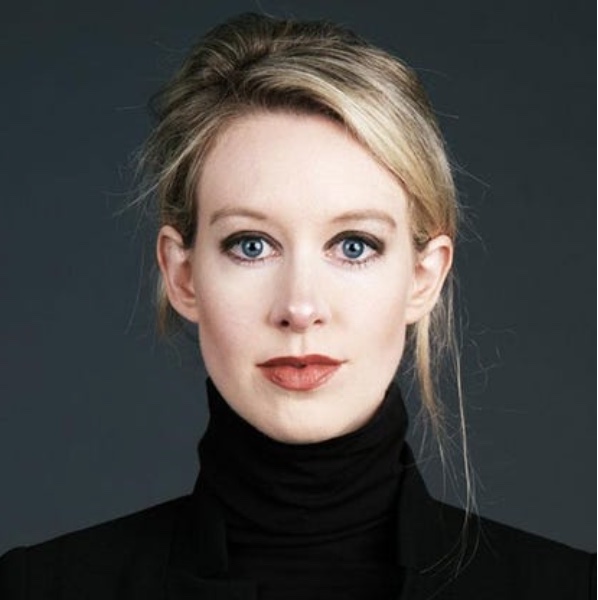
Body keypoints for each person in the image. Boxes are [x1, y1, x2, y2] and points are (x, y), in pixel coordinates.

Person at [0, 12, 594, 600]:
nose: (300, 307)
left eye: (354, 245)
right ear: (182, 276)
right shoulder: (39, 588)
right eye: (251, 245)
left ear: (423, 277)